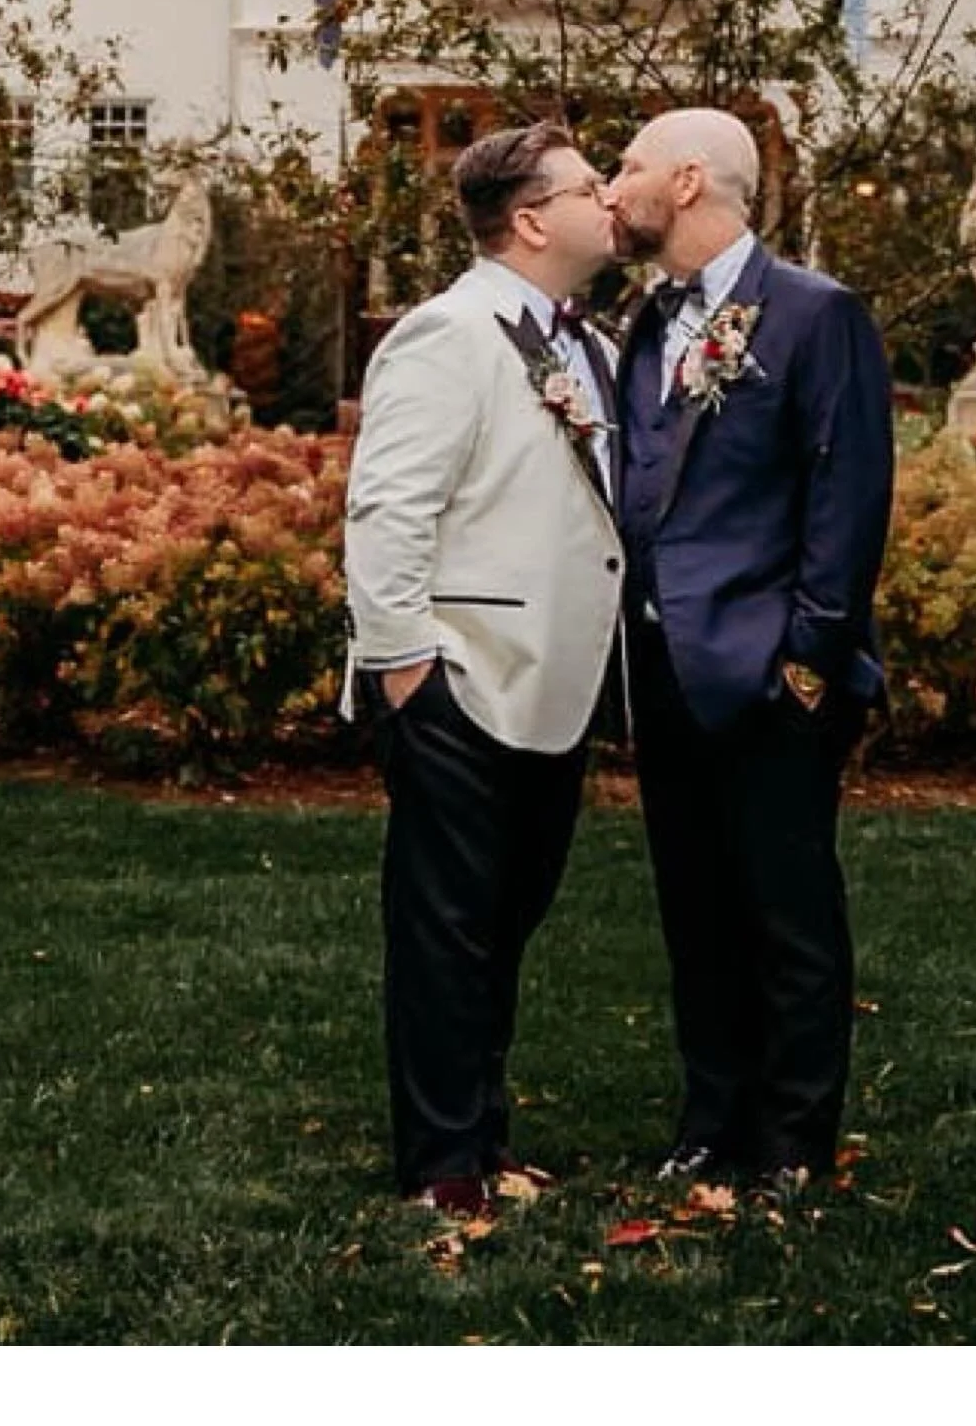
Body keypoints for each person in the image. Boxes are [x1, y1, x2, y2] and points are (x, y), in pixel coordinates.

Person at [607, 105, 894, 1203]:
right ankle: (709, 1116)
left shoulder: (815, 315)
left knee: (788, 913)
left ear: (687, 183)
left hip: (775, 672)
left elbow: (849, 493)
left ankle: (792, 1139)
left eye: (629, 167)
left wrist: (808, 659)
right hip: (666, 669)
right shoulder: (648, 319)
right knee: (695, 910)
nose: (614, 186)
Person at [342, 119, 625, 1220]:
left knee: (506, 921)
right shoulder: (447, 336)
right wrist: (408, 666)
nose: (609, 202)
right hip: (461, 677)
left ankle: (484, 1132)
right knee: (446, 928)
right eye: (590, 186)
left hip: (554, 683)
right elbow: (387, 507)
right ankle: (442, 1164)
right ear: (533, 218)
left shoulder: (581, 345)